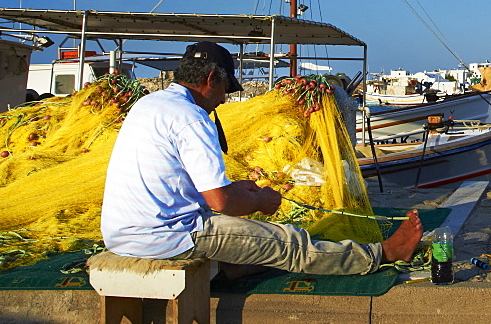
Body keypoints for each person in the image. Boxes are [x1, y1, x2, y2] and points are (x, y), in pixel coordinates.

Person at [100, 41, 422, 278]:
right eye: (226, 87)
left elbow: (177, 182)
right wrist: (259, 202)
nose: (225, 97)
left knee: (241, 259)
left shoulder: (150, 104)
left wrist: (238, 190)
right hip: (168, 237)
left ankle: (234, 267)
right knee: (288, 242)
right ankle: (381, 253)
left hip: (120, 233)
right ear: (212, 79)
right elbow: (220, 203)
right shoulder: (192, 118)